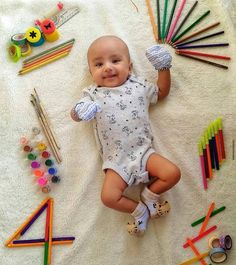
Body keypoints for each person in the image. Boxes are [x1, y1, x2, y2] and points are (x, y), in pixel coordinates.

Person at [71, 35, 181, 236]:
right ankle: (138, 210)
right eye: (98, 64)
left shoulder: (138, 86)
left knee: (173, 173)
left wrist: (163, 68)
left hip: (144, 152)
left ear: (129, 67)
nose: (107, 67)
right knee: (108, 197)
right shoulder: (92, 94)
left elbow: (161, 92)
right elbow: (75, 115)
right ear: (91, 72)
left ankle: (149, 195)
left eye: (115, 60)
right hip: (116, 161)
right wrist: (79, 111)